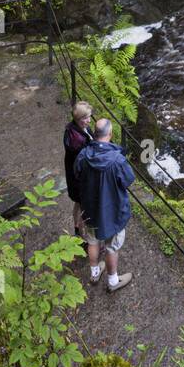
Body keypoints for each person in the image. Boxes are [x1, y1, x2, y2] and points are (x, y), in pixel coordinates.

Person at [74, 117, 135, 292]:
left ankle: (94, 273)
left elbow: (76, 174)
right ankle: (113, 281)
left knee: (92, 242)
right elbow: (128, 180)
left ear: (95, 133)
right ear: (110, 134)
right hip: (113, 213)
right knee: (111, 248)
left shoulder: (83, 155)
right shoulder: (117, 160)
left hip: (89, 209)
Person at [63, 102, 93, 239]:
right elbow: (85, 158)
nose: (89, 120)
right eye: (85, 118)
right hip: (78, 179)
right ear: (78, 118)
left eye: (89, 116)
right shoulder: (76, 139)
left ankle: (77, 230)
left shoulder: (78, 129)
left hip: (76, 175)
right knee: (82, 206)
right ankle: (81, 235)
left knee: (78, 203)